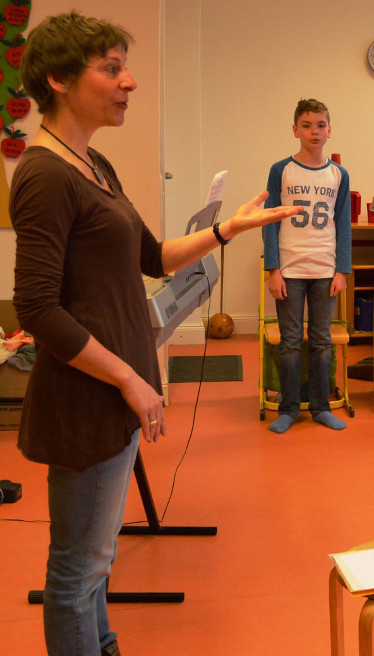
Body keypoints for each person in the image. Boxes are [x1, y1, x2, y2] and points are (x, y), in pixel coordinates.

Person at [10, 13, 297, 655]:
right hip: (86, 400)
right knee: (75, 572)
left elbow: (154, 256)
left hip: (114, 393)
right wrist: (129, 379)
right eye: (110, 69)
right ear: (58, 79)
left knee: (97, 559)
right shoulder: (45, 175)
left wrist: (231, 229)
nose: (129, 81)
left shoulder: (95, 164)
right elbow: (36, 307)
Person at [262, 98, 352, 434]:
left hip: (324, 269)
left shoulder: (337, 174)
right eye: (307, 125)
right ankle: (288, 409)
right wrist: (273, 268)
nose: (314, 131)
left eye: (320, 125)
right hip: (290, 269)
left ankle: (320, 407)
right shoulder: (280, 170)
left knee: (320, 341)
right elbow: (269, 220)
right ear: (295, 129)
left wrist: (342, 270)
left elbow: (343, 223)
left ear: (330, 130)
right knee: (289, 342)